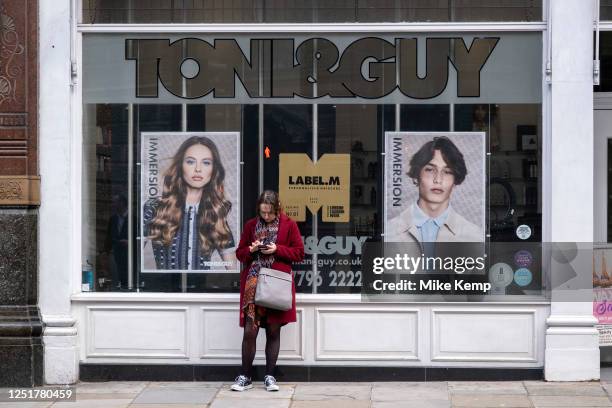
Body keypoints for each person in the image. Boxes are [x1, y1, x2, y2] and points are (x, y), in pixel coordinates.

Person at [231, 190, 304, 392]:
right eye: (263, 212)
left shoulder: (289, 225)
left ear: (277, 208)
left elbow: (299, 253)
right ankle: (245, 376)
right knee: (249, 331)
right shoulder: (250, 225)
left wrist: (277, 249)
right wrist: (251, 250)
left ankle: (270, 376)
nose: (266, 216)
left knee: (273, 330)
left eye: (269, 213)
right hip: (253, 285)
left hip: (276, 284)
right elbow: (239, 254)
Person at [143, 136, 236, 271]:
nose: (198, 169)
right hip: (165, 290)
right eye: (191, 162)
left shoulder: (215, 212)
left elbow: (233, 271)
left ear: (214, 170)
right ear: (180, 166)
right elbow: (132, 257)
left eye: (206, 163)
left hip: (202, 291)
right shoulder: (154, 207)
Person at [386, 136, 482, 244]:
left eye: (447, 172)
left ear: (455, 180)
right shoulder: (389, 231)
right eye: (430, 170)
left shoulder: (474, 235)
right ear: (417, 175)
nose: (438, 180)